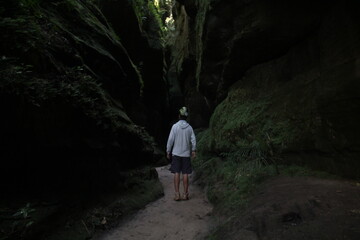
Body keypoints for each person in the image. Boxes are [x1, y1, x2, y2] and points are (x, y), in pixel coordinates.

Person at [166, 106, 196, 201]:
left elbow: (170, 140)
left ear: (179, 116)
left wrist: (168, 150)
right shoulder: (190, 128)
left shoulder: (175, 126)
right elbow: (193, 140)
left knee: (177, 173)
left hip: (176, 154)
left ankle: (177, 194)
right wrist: (193, 150)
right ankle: (185, 194)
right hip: (186, 154)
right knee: (186, 173)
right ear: (186, 117)